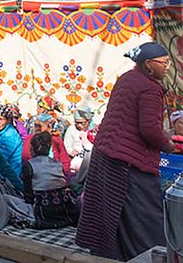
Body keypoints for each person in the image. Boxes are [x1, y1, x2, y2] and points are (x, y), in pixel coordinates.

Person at [76, 42, 175, 261]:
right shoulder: (149, 88)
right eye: (164, 63)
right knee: (144, 217)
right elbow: (150, 130)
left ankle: (112, 256)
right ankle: (150, 257)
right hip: (128, 161)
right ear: (148, 65)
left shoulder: (127, 79)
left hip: (105, 153)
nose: (167, 68)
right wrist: (168, 145)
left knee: (112, 213)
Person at [22, 132, 79, 229]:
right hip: (64, 208)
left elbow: (28, 195)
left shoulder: (29, 165)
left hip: (43, 210)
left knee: (8, 200)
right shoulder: (58, 164)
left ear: (32, 148)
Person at [0, 104, 24, 194]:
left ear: (8, 120)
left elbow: (1, 160)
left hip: (10, 177)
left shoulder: (10, 135)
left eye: (1, 119)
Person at [63, 107, 96, 173]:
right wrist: (71, 151)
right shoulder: (72, 129)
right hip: (74, 162)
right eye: (77, 123)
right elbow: (66, 146)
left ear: (88, 121)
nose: (79, 125)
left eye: (82, 123)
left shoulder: (94, 130)